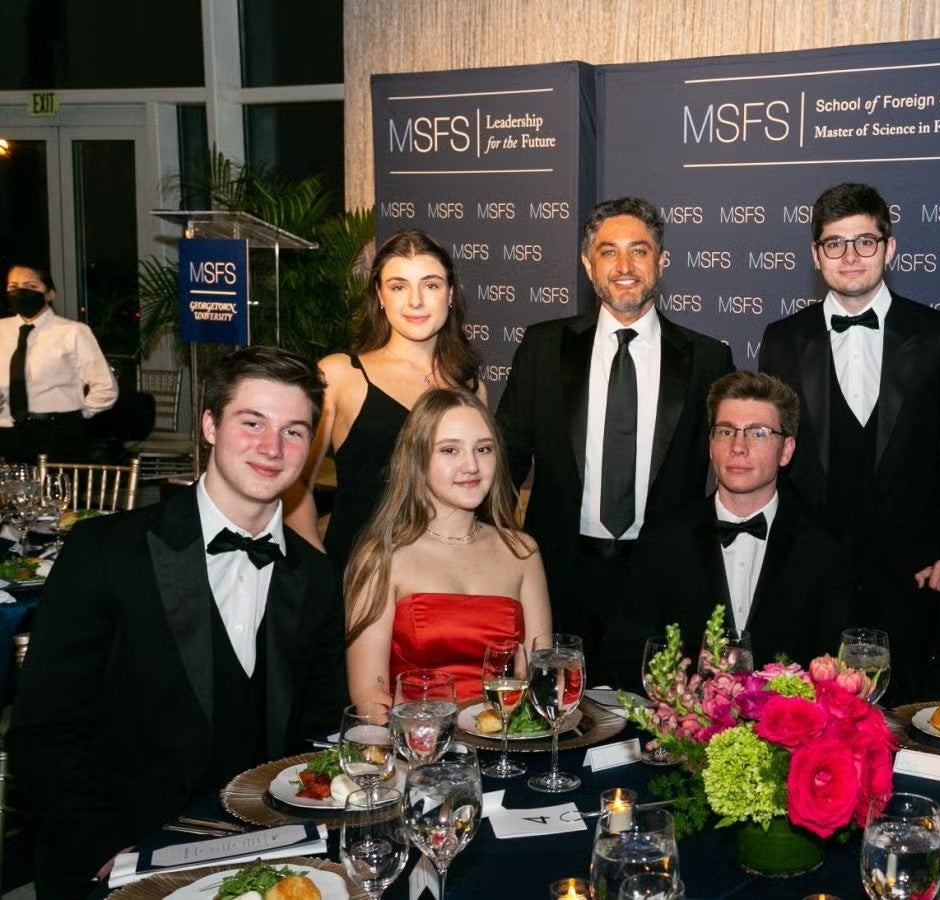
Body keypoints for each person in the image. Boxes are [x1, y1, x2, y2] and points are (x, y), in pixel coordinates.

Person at [10, 347, 346, 896]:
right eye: (252, 422)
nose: (271, 447)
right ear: (210, 424)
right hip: (124, 857)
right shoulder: (107, 553)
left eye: (293, 431)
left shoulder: (314, 576)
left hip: (268, 862)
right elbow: (46, 731)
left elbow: (317, 734)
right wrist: (106, 854)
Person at [496, 196, 734, 684]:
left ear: (662, 261)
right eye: (608, 252)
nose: (624, 267)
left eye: (639, 251)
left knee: (656, 730)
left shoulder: (709, 359)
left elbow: (735, 469)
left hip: (662, 578)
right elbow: (506, 459)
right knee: (555, 718)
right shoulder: (543, 346)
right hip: (559, 575)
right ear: (588, 264)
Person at [760, 182, 940, 701]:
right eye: (834, 243)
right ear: (817, 256)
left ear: (890, 247)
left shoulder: (939, 336)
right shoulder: (782, 339)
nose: (851, 256)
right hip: (813, 574)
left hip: (914, 577)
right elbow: (773, 460)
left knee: (907, 723)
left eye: (865, 241)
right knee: (805, 723)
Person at [607, 371, 856, 676]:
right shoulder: (663, 540)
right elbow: (627, 660)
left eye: (758, 432)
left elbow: (840, 673)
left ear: (787, 450)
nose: (738, 446)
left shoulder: (824, 546)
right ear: (711, 445)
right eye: (726, 431)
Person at [286, 228, 485, 573]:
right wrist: (319, 569)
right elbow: (295, 485)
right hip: (358, 578)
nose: (416, 301)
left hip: (442, 579)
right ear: (379, 295)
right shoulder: (340, 376)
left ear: (451, 294)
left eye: (431, 285)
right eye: (398, 287)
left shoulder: (470, 387)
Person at [343, 389, 551, 708]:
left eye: (483, 449)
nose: (471, 465)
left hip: (505, 745)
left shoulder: (522, 551)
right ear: (416, 459)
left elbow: (540, 677)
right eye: (450, 450)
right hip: (419, 745)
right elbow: (370, 693)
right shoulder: (381, 556)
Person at [0, 261, 118, 463]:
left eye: (31, 286)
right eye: (13, 287)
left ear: (49, 294)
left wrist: (78, 414)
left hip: (56, 433)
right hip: (7, 432)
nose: (21, 292)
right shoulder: (1, 329)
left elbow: (106, 387)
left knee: (57, 493)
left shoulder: (73, 332)